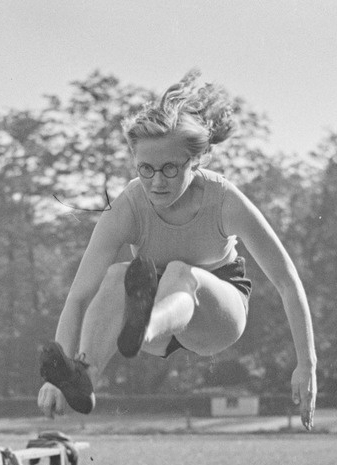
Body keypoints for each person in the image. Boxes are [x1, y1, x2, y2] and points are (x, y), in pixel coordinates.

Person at [37, 70, 316, 428]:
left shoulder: (224, 199)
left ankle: (143, 326)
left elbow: (287, 280)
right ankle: (83, 373)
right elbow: (78, 297)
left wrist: (307, 363)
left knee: (181, 273)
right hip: (155, 308)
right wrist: (56, 378)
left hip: (216, 316)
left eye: (170, 168)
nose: (157, 181)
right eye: (146, 169)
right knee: (115, 275)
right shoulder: (128, 206)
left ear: (195, 161)